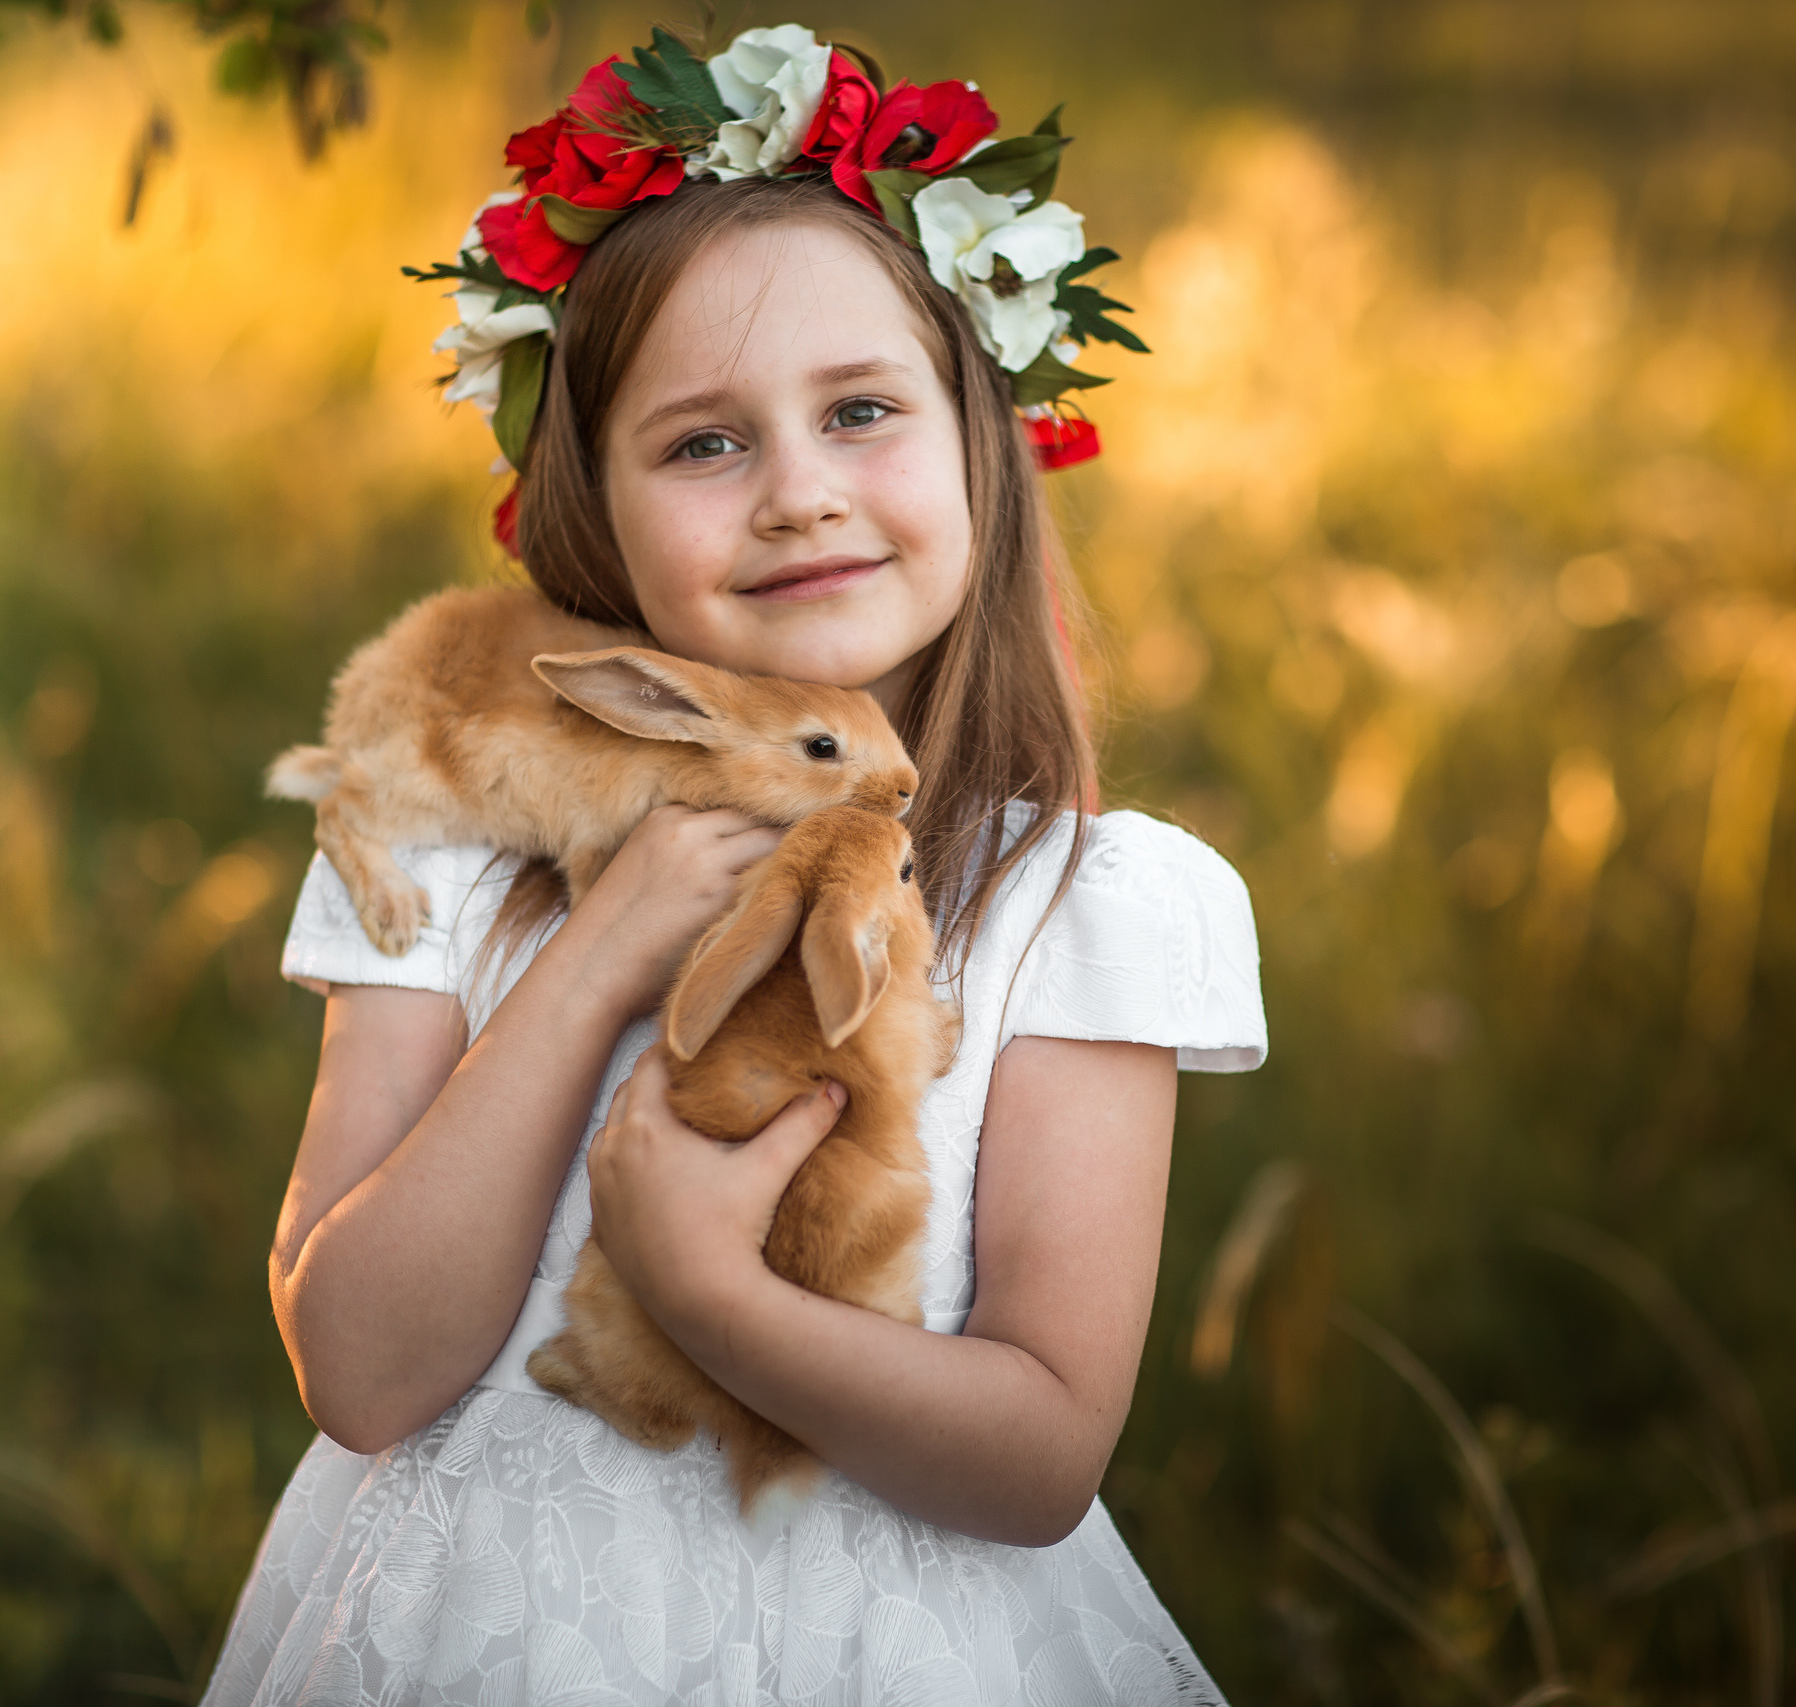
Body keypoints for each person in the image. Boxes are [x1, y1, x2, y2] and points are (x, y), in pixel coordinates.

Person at [204, 25, 1265, 1704]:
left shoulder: (1081, 905)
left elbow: (1041, 1453)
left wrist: (710, 1292)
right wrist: (605, 948)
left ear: (982, 440)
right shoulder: (451, 867)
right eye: (703, 444)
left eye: (860, 410)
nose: (796, 495)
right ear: (589, 508)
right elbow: (362, 1364)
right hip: (491, 1636)